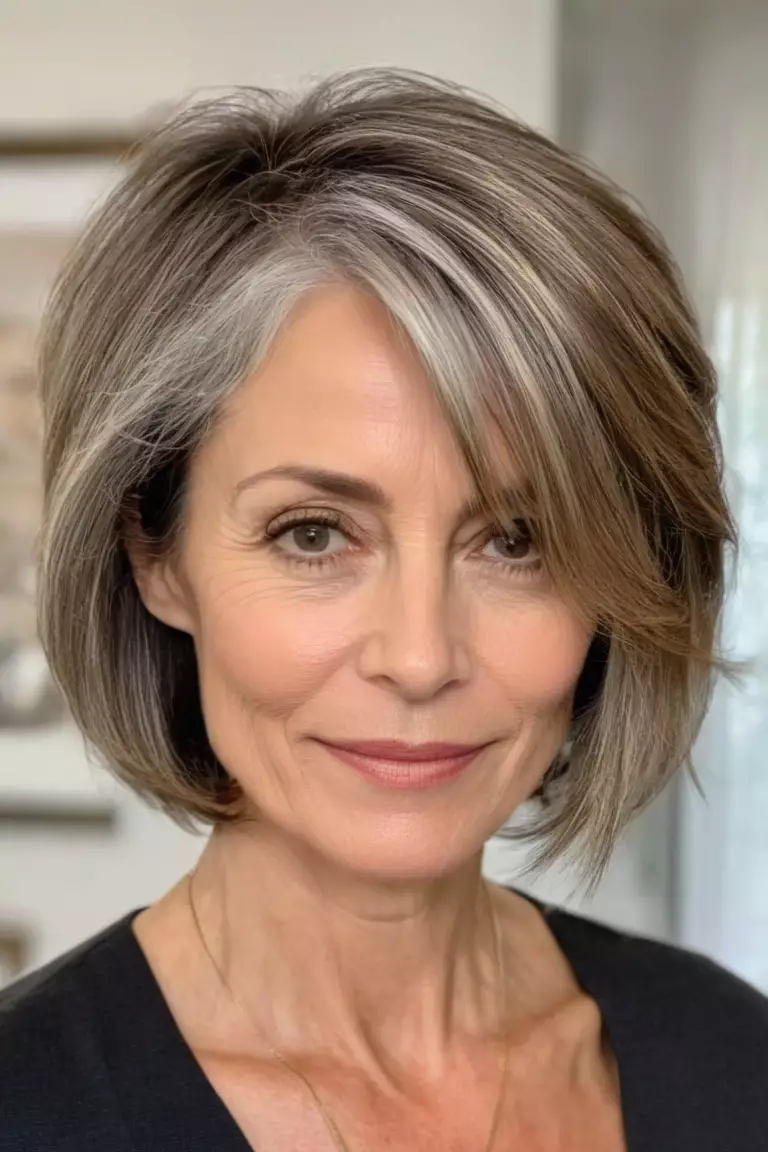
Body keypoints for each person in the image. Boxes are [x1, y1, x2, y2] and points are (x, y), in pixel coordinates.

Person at [1, 67, 766, 1152]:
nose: (419, 657)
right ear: (153, 553)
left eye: (517, 540)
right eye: (314, 534)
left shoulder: (735, 1065)